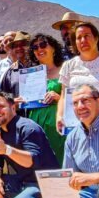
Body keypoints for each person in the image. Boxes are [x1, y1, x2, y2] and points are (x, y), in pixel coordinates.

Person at [25, 33, 67, 163]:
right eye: (35, 47)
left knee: (58, 158)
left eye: (43, 45)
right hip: (35, 122)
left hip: (56, 122)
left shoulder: (64, 69)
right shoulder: (31, 73)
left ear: (53, 48)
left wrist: (58, 97)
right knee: (39, 158)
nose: (39, 49)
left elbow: (73, 98)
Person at [0, 31, 31, 101]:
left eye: (22, 44)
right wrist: (12, 101)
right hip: (19, 111)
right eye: (15, 46)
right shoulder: (10, 72)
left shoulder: (40, 66)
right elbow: (3, 95)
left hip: (40, 111)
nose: (19, 48)